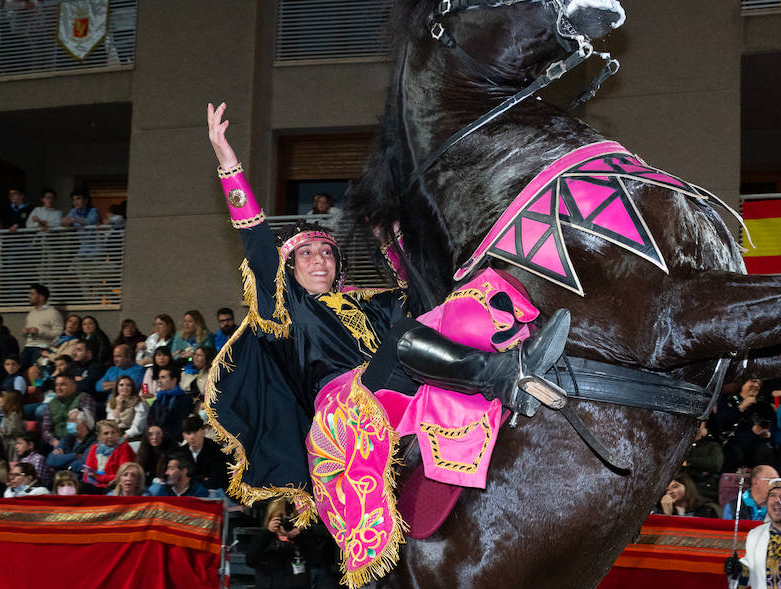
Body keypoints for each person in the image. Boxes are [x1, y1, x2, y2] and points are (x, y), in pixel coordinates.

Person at [204, 101, 570, 512]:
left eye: (327, 251)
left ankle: (525, 349)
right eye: (305, 253)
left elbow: (414, 297)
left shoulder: (366, 305)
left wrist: (390, 229)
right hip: (342, 410)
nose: (320, 258)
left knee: (452, 308)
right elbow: (255, 240)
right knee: (401, 340)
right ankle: (505, 378)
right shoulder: (285, 310)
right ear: (288, 268)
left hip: (392, 388)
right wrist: (227, 160)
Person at [714, 378, 776, 472]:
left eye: (759, 382)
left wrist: (768, 434)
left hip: (757, 443)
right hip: (734, 442)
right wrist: (741, 407)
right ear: (742, 383)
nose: (756, 385)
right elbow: (720, 422)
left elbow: (774, 427)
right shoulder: (728, 400)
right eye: (753, 381)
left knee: (765, 450)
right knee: (734, 452)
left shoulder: (764, 405)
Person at [79, 419, 136, 493]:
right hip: (95, 485)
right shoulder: (94, 448)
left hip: (115, 485)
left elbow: (123, 474)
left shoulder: (124, 447)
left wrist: (99, 478)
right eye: (106, 433)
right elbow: (88, 471)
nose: (110, 436)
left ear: (118, 434)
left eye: (113, 433)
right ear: (99, 436)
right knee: (80, 487)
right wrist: (92, 479)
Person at [178, 415, 226, 491]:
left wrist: (191, 479)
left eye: (195, 431)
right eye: (188, 433)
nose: (192, 437)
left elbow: (215, 481)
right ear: (184, 435)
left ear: (203, 432)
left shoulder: (216, 450)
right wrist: (202, 478)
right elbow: (180, 481)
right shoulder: (181, 452)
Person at [145, 365, 192, 442]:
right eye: (159, 377)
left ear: (174, 380)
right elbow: (150, 421)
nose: (159, 381)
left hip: (174, 442)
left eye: (163, 377)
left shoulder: (185, 400)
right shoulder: (157, 401)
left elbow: (181, 425)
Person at [20, 284, 62, 365]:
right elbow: (29, 336)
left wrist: (39, 332)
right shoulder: (31, 314)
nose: (29, 296)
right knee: (18, 368)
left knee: (35, 370)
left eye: (32, 294)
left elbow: (59, 334)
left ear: (41, 297)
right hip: (28, 346)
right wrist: (26, 333)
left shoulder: (53, 313)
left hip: (43, 347)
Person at [106, 374, 147, 442]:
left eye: (128, 385)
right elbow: (111, 424)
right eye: (121, 385)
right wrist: (118, 407)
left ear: (132, 388)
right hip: (115, 434)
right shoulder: (111, 402)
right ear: (117, 387)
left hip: (133, 436)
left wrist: (123, 438)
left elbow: (138, 427)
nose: (125, 387)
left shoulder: (139, 402)